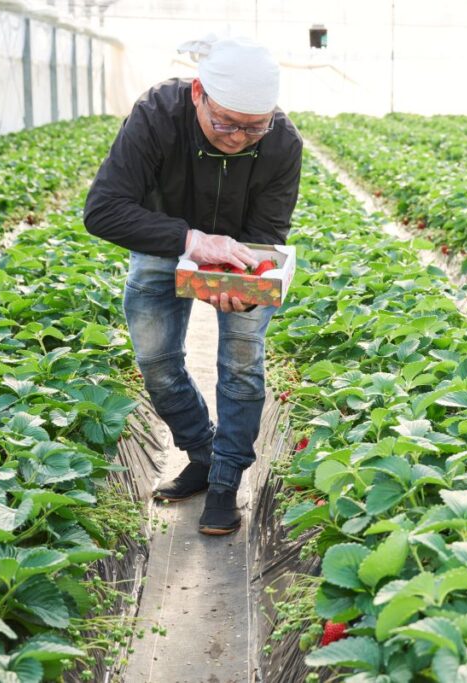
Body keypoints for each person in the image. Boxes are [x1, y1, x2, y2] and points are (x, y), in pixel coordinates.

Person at [84, 35, 303, 535]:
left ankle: (226, 481)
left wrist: (236, 282)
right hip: (162, 245)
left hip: (240, 253)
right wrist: (189, 240)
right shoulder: (157, 116)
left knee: (242, 365)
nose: (237, 137)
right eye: (225, 122)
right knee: (157, 363)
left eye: (253, 127)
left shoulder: (282, 142)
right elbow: (102, 210)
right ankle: (202, 454)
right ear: (198, 92)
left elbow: (267, 232)